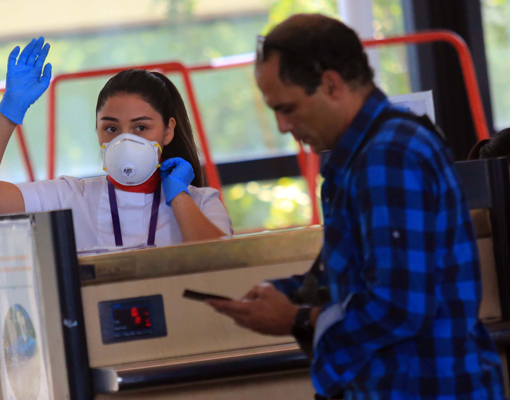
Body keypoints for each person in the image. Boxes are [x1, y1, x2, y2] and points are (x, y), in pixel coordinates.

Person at [207, 14, 504, 399]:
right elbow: (363, 278)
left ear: (331, 85)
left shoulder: (388, 156)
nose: (281, 126)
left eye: (288, 107)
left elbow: (398, 306)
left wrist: (296, 318)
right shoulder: (366, 153)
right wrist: (288, 293)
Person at [0, 37, 233, 251]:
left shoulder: (201, 202)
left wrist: (179, 198)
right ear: (97, 132)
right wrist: (10, 111)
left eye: (141, 127)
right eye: (111, 128)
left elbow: (222, 266)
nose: (125, 140)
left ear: (168, 131)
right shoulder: (70, 197)